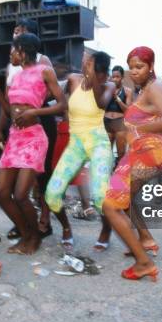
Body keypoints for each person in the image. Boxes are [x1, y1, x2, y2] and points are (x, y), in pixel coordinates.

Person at [103, 46, 162, 281]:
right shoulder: (144, 89)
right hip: (138, 152)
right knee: (124, 200)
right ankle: (145, 239)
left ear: (151, 67)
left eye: (140, 67)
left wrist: (139, 128)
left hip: (147, 153)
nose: (134, 71)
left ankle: (143, 263)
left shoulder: (155, 88)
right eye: (131, 67)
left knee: (111, 205)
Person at [0, 33, 66, 255]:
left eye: (13, 50)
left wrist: (35, 111)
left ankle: (34, 239)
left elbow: (62, 104)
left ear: (23, 51)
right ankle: (26, 234)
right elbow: (9, 111)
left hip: (34, 137)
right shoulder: (15, 77)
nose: (10, 54)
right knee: (1, 192)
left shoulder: (44, 71)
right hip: (15, 137)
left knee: (21, 194)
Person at [45, 51, 115, 252]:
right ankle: (66, 228)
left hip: (98, 143)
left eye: (90, 61)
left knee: (101, 197)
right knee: (52, 194)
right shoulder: (73, 80)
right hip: (75, 144)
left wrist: (93, 77)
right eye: (85, 59)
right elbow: (54, 96)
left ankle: (106, 230)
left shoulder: (108, 85)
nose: (84, 60)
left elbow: (101, 103)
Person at [0, 18, 55, 241]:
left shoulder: (42, 62)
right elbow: (10, 99)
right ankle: (22, 223)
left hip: (37, 123)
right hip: (16, 129)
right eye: (14, 31)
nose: (15, 35)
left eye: (19, 32)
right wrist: (0, 126)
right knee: (12, 187)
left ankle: (44, 220)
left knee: (41, 177)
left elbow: (52, 93)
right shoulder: (12, 67)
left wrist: (33, 106)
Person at [104, 66, 133, 164]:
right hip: (107, 122)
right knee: (105, 153)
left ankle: (120, 176)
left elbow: (128, 110)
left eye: (117, 77)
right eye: (113, 77)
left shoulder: (127, 91)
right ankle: (106, 175)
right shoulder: (106, 89)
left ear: (122, 78)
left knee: (121, 153)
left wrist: (117, 98)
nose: (115, 79)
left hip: (120, 123)